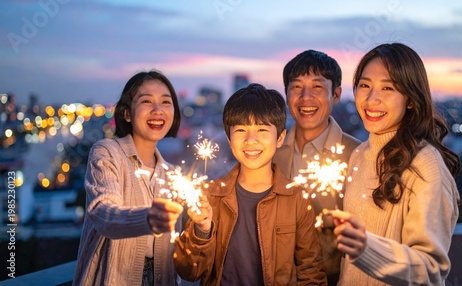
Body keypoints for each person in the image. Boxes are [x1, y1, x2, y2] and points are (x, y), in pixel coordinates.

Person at [326, 43, 461, 285]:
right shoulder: (359, 154)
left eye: (387, 88)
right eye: (365, 85)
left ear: (410, 99)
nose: (371, 99)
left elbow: (431, 269)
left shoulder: (425, 165)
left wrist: (367, 249)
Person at [174, 83, 327, 285]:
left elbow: (311, 272)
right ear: (229, 139)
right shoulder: (209, 195)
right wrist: (203, 228)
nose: (251, 140)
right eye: (241, 130)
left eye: (262, 129)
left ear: (280, 138)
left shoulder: (296, 198)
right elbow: (189, 271)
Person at [73, 70, 185, 286]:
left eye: (165, 102)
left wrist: (203, 226)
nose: (158, 110)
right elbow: (103, 212)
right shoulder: (106, 152)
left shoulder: (171, 174)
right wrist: (148, 219)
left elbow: (177, 248)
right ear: (127, 113)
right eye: (146, 101)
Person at [273, 49, 361, 285]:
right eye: (296, 87)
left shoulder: (357, 156)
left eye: (318, 87)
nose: (306, 97)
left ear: (336, 94)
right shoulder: (271, 153)